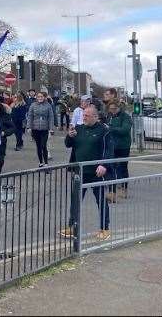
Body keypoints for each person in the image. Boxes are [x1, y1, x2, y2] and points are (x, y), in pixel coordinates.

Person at [61, 106, 114, 242]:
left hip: (96, 172)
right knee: (75, 201)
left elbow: (109, 149)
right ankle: (72, 226)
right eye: (83, 115)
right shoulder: (78, 129)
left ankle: (105, 228)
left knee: (101, 200)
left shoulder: (104, 130)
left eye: (87, 116)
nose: (84, 118)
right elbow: (68, 144)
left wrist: (104, 164)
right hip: (80, 171)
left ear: (95, 117)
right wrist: (69, 136)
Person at [105, 101, 132, 202]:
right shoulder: (109, 116)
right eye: (110, 109)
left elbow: (125, 129)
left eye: (114, 109)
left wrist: (111, 129)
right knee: (111, 168)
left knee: (123, 167)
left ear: (118, 108)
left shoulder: (125, 117)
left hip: (123, 146)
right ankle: (112, 192)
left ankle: (124, 189)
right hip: (112, 146)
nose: (112, 111)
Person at [27, 91, 55, 168]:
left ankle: (46, 163)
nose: (40, 98)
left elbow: (51, 117)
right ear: (36, 97)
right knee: (38, 146)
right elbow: (30, 116)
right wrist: (29, 127)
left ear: (44, 97)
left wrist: (51, 128)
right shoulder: (33, 105)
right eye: (38, 97)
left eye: (41, 97)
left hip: (44, 128)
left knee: (43, 145)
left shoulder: (48, 105)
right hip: (35, 129)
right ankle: (40, 162)